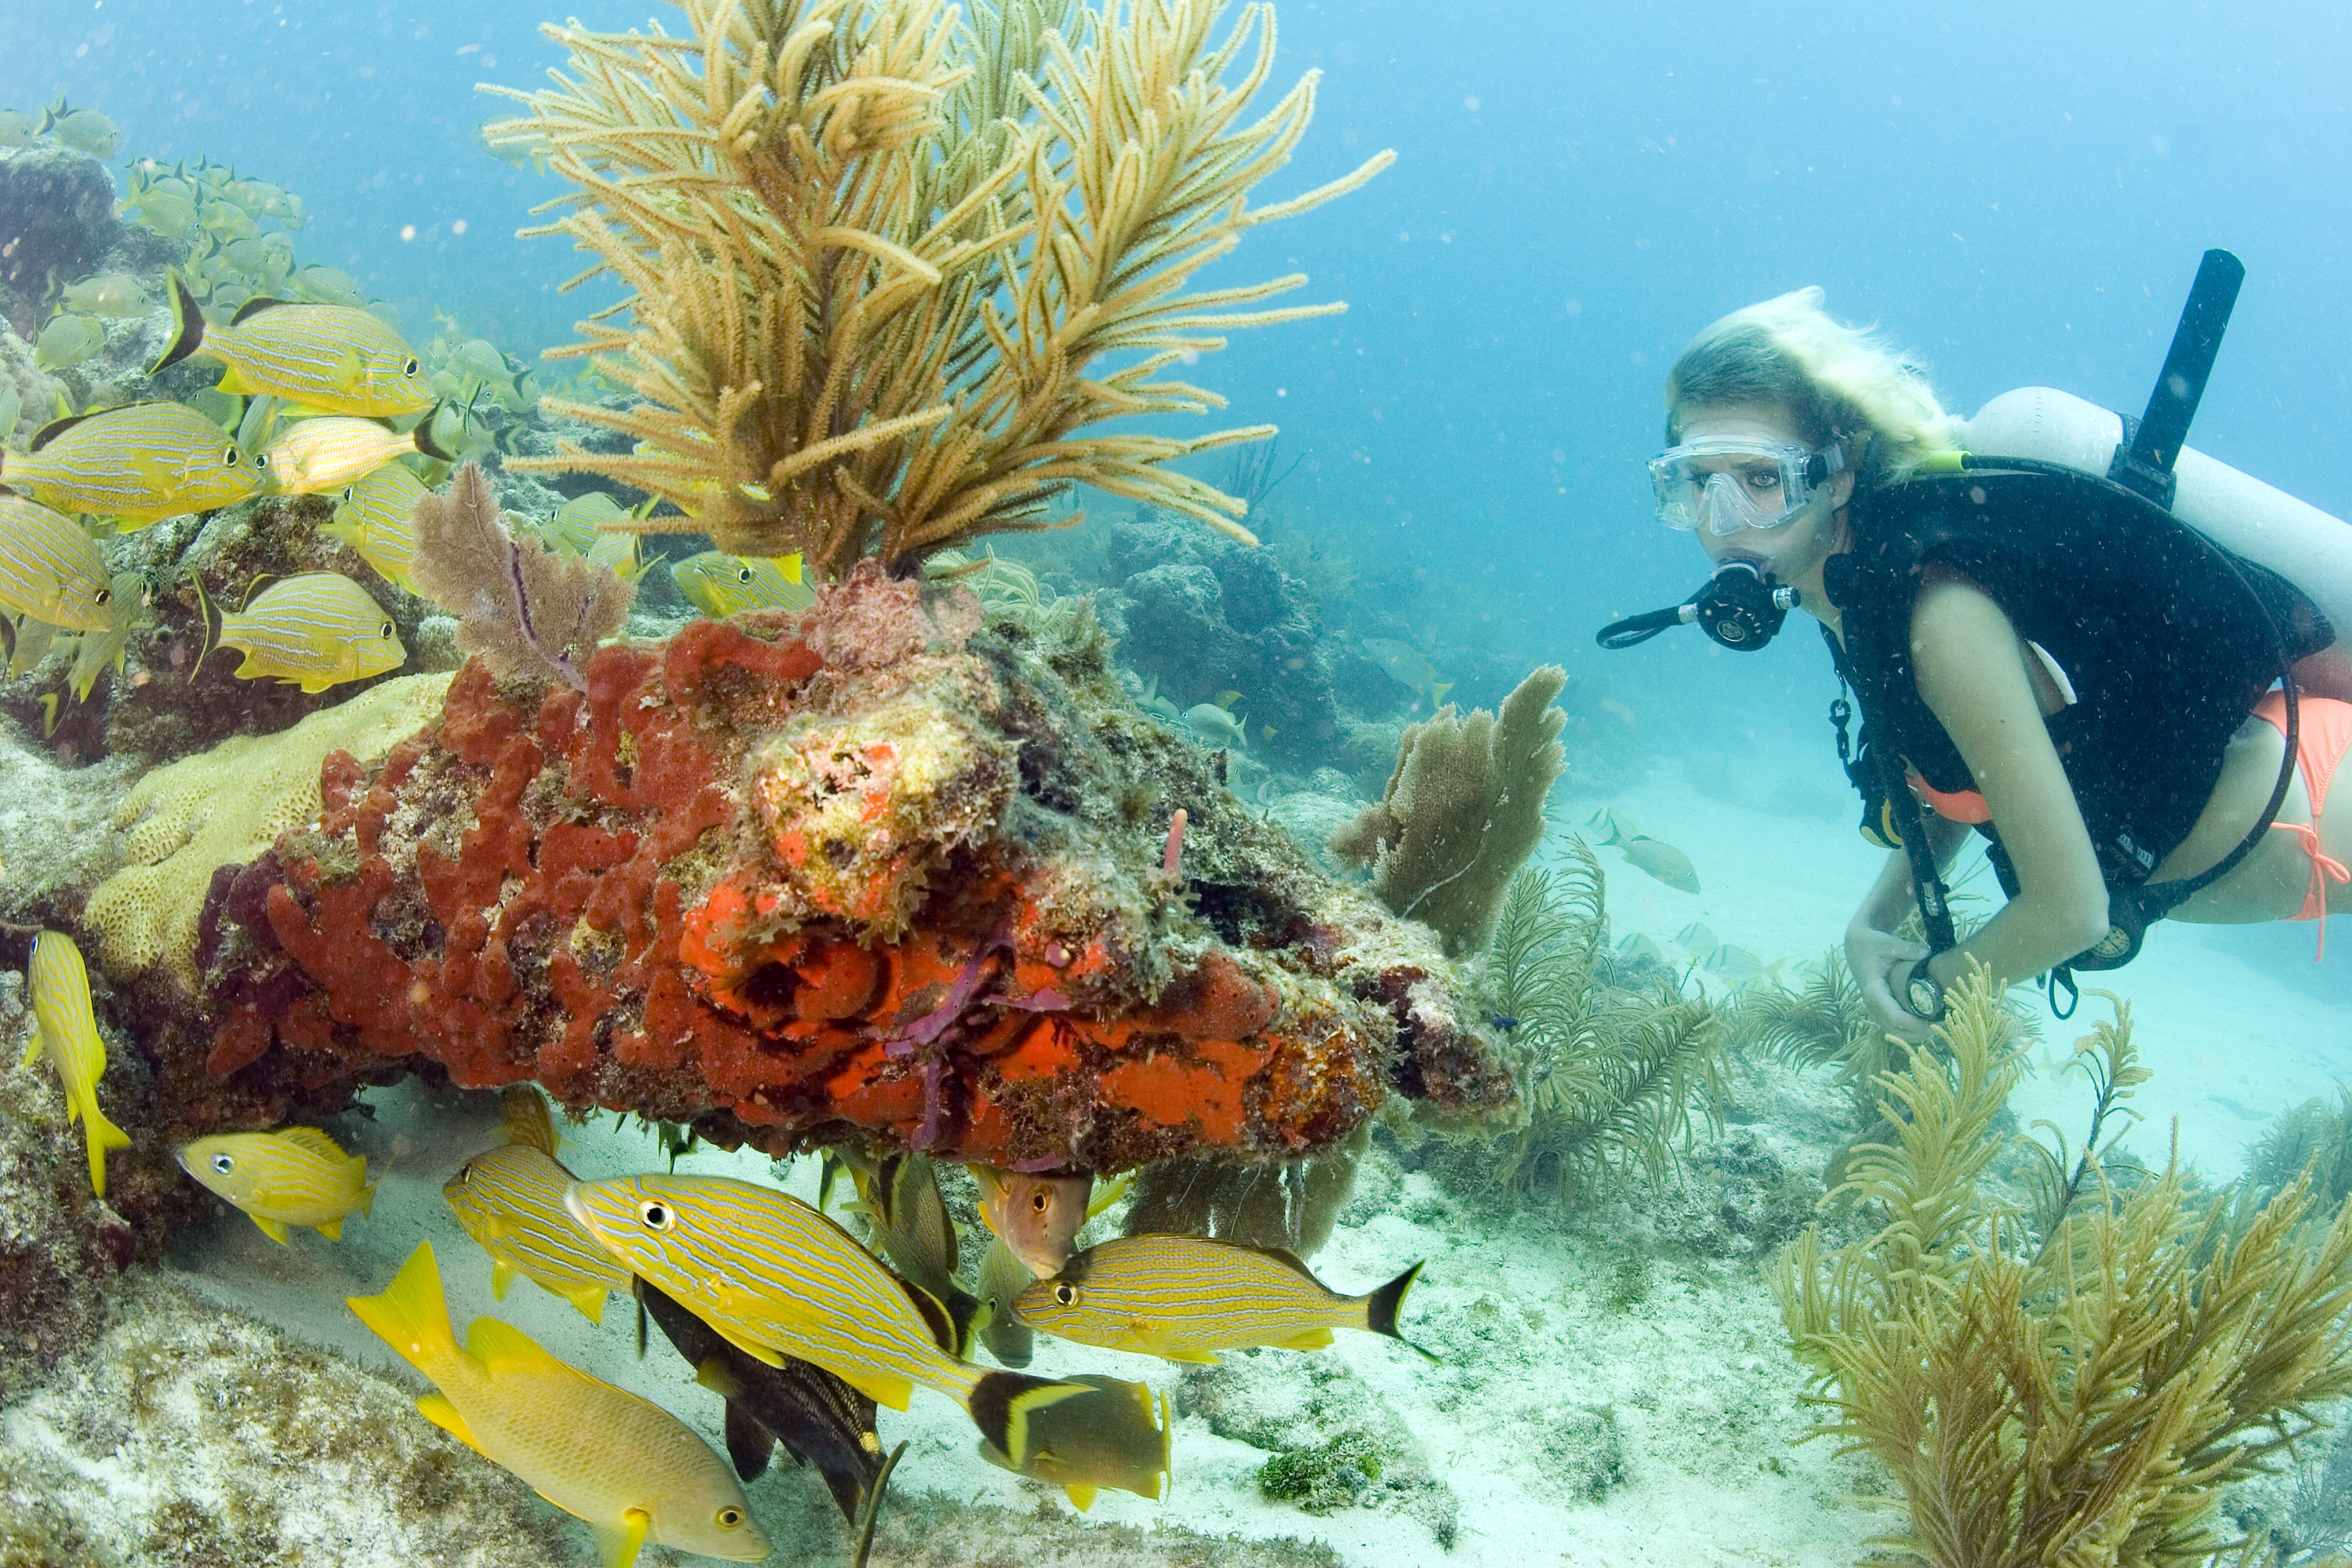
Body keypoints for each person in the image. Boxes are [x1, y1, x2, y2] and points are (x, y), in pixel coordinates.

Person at [1645, 285, 2352, 1041]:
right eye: (1696, 483)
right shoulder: (1849, 591)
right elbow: (1964, 770)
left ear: (1838, 475)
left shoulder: (1936, 618)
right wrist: (1875, 920)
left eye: (1761, 480)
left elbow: (2073, 912)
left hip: (2312, 803)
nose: (1725, 524)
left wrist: (1924, 992)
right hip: (2272, 801)